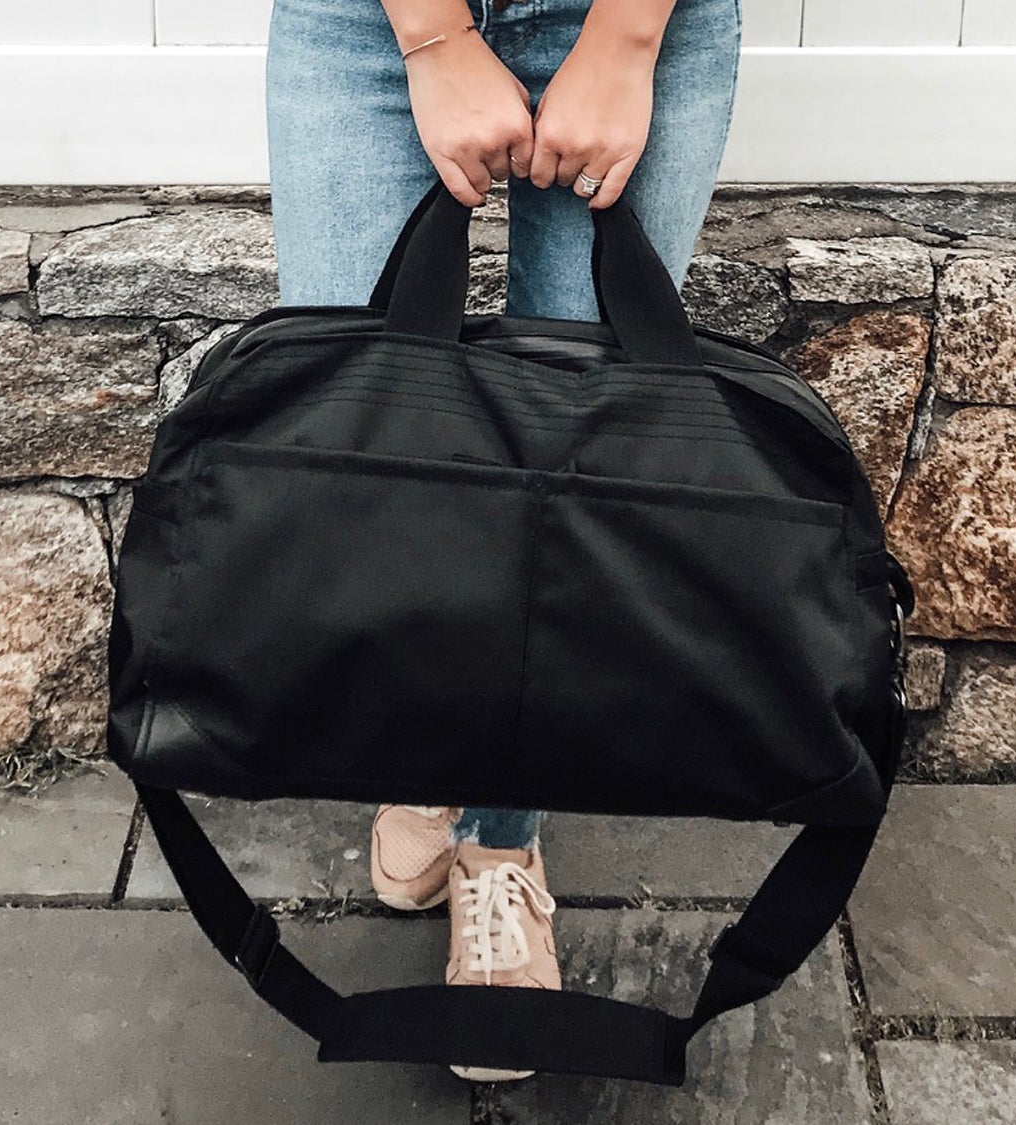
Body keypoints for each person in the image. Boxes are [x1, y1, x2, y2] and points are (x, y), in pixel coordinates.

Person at [264, 0, 741, 1082]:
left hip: (632, 18)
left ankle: (498, 838)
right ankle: (429, 752)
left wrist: (621, 41)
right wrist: (432, 37)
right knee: (363, 439)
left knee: (570, 466)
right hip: (364, 23)